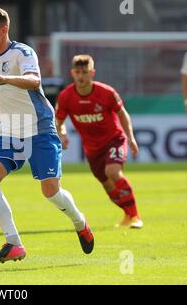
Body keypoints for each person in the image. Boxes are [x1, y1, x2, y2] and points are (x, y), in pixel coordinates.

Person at [0, 7, 94, 264]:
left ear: (3, 30)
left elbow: (33, 80)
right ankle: (13, 243)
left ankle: (79, 221)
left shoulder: (22, 52)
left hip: (39, 128)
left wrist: (4, 78)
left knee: (51, 192)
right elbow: (4, 94)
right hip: (10, 130)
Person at [55, 54, 143, 229]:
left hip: (113, 140)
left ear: (92, 73)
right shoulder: (66, 97)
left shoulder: (106, 93)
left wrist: (130, 137)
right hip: (92, 149)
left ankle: (135, 216)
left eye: (85, 72)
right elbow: (58, 121)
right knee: (108, 186)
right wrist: (62, 134)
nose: (81, 76)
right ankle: (128, 213)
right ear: (72, 73)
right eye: (78, 72)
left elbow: (122, 114)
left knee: (113, 171)